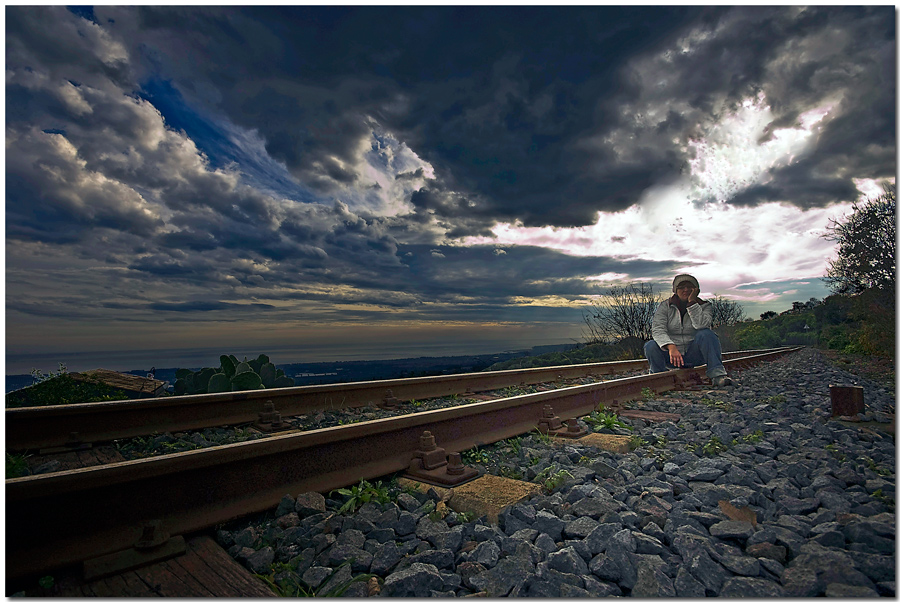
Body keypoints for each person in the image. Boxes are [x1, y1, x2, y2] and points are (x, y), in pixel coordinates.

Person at [644, 274, 733, 386]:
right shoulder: (665, 306)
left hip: (694, 354)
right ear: (675, 290)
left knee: (707, 334)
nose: (685, 290)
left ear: (696, 290)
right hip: (672, 356)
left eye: (689, 287)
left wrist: (692, 303)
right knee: (650, 345)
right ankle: (658, 379)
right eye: (681, 287)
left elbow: (701, 325)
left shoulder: (705, 306)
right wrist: (671, 346)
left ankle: (718, 376)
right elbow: (657, 330)